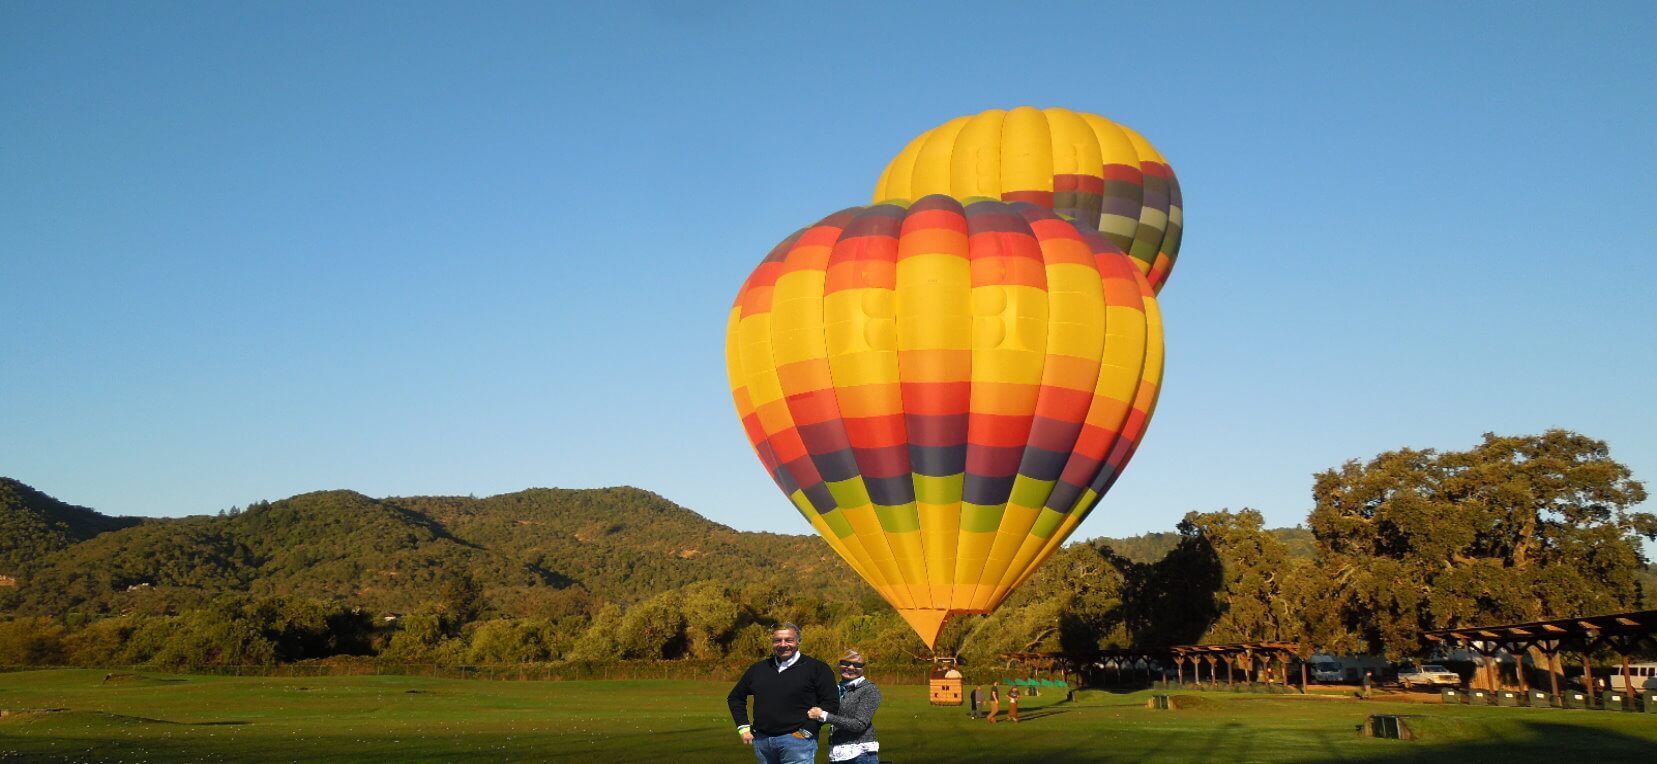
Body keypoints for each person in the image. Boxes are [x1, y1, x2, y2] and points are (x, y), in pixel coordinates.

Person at [727, 623, 839, 764]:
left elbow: (831, 702)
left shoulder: (817, 668)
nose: (783, 644)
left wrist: (808, 729)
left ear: (798, 641)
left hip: (798, 742)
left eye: (789, 640)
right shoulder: (758, 669)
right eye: (777, 640)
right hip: (762, 741)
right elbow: (735, 697)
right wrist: (743, 727)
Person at [809, 649, 882, 764]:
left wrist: (824, 716)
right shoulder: (835, 689)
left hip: (860, 755)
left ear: (863, 668)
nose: (851, 668)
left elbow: (859, 724)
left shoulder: (869, 689)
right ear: (839, 664)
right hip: (837, 753)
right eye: (846, 663)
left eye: (857, 665)